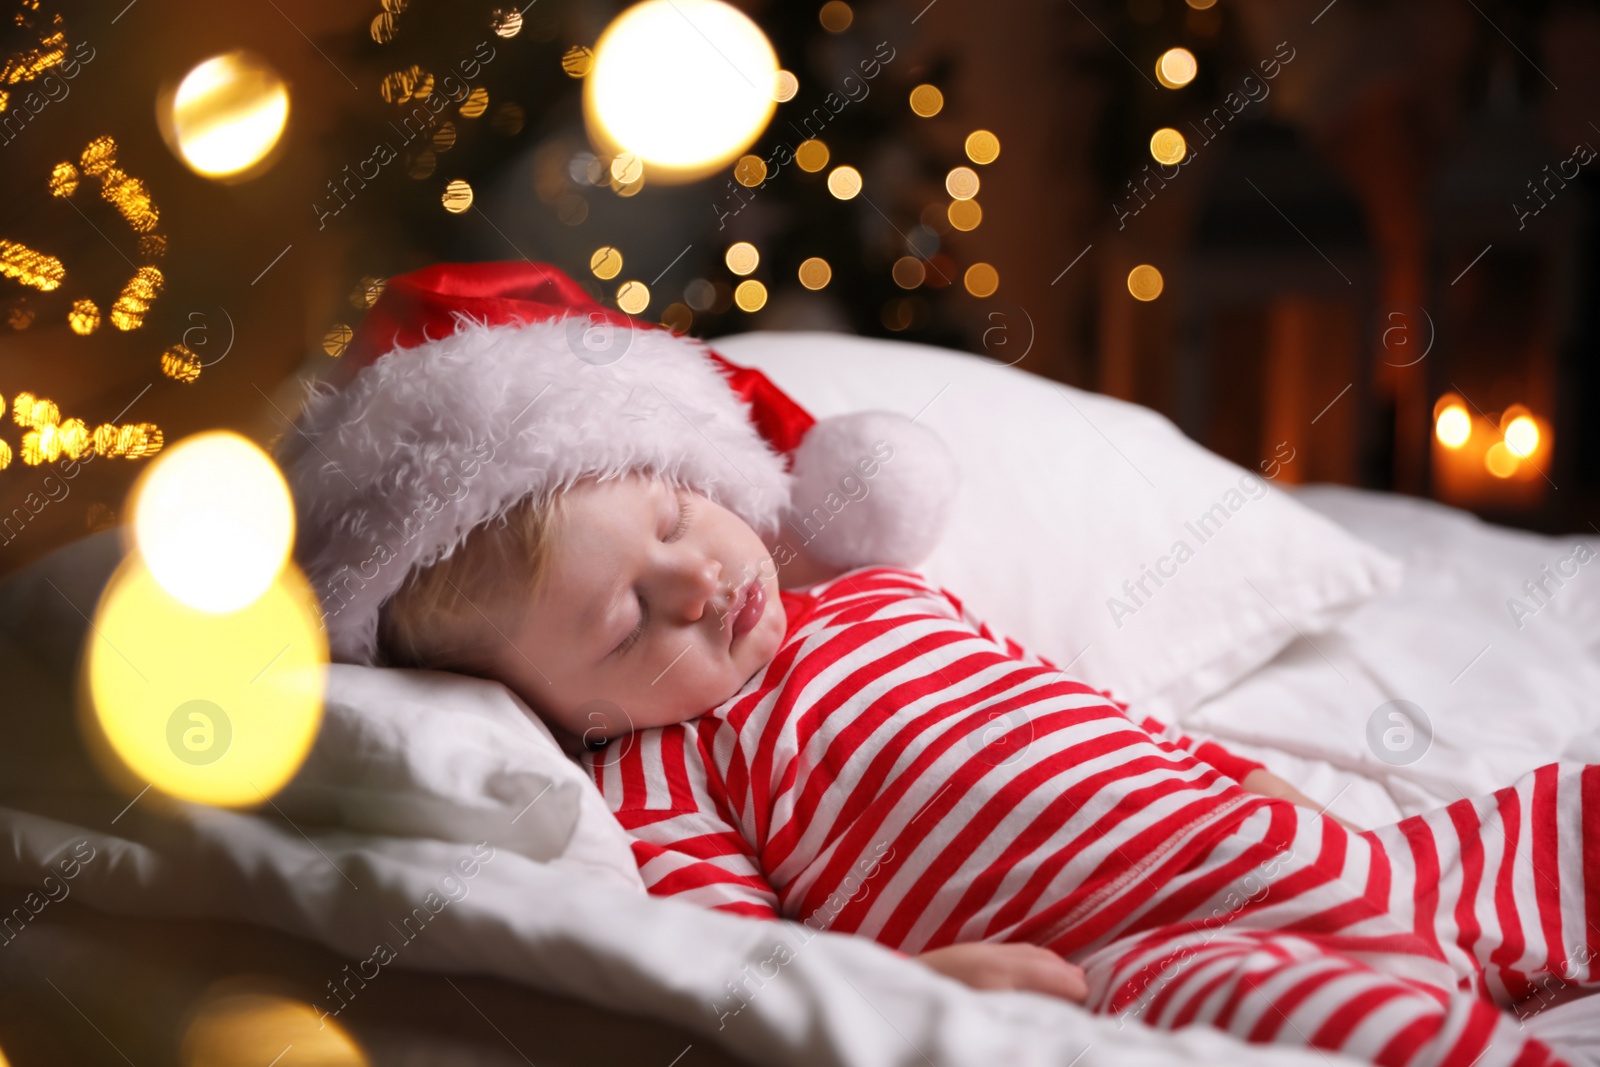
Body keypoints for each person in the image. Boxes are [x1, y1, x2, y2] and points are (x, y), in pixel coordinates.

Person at [284, 262, 1594, 1067]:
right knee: (1385, 1032)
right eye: (628, 622)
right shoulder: (671, 774)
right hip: (1158, 943)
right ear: (562, 710)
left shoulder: (886, 592)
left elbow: (1090, 716)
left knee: (1572, 821)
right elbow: (739, 969)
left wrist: (1248, 787)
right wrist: (914, 985)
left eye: (680, 522)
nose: (697, 581)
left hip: (1317, 850)